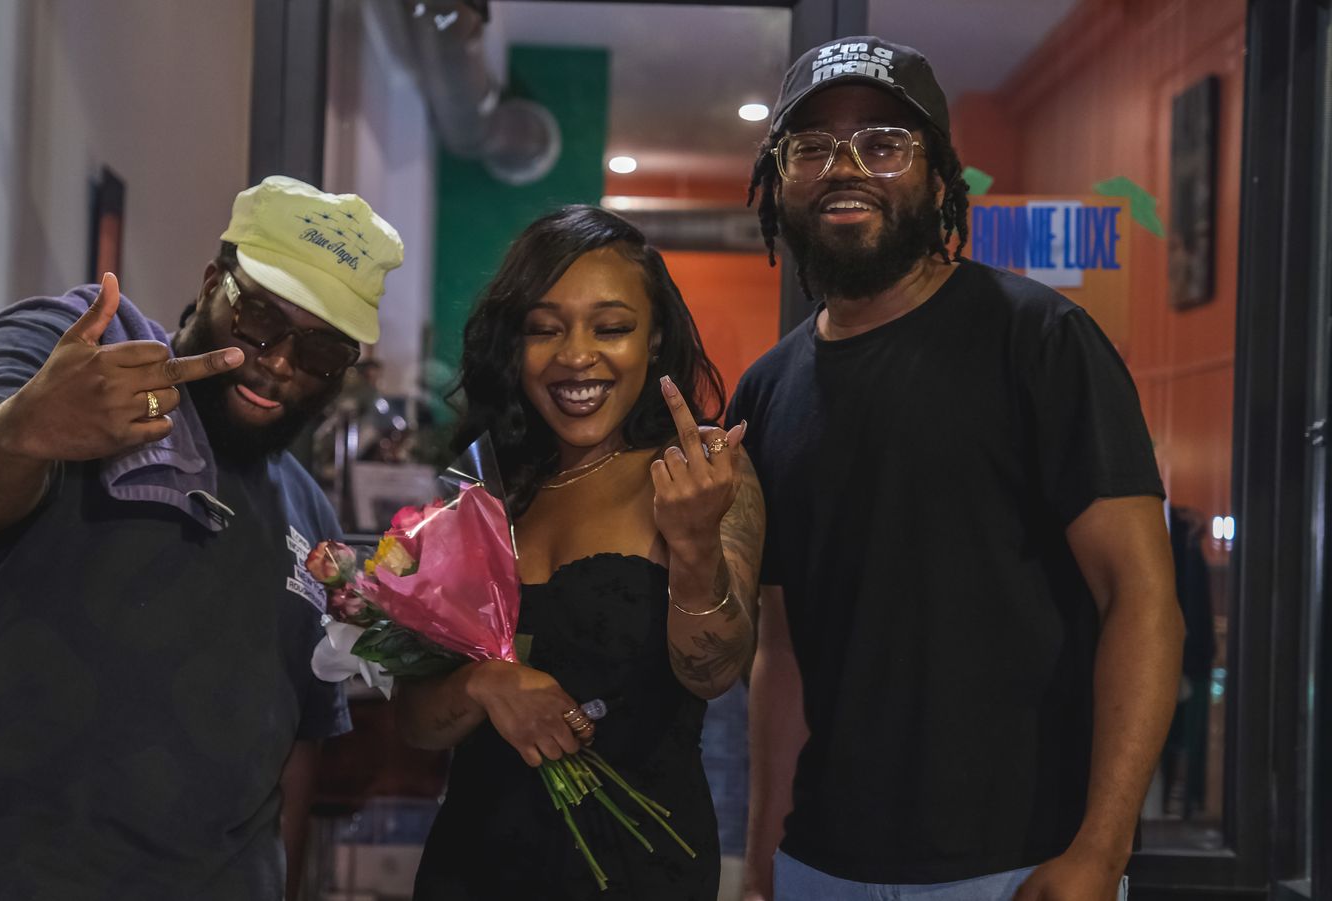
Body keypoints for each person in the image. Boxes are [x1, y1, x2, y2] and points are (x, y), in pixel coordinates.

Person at [0, 176, 404, 901]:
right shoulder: (73, 351)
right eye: (260, 318)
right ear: (211, 284)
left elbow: (295, 758)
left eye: (321, 351)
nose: (278, 362)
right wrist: (23, 429)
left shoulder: (311, 525)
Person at [731, 37, 1185, 901]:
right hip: (820, 864)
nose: (844, 168)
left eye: (884, 143)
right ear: (778, 181)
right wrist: (760, 866)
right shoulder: (766, 390)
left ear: (941, 178)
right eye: (812, 147)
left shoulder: (1040, 340)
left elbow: (1140, 599)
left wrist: (1100, 851)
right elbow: (782, 651)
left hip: (1020, 865)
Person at [396, 206, 765, 900]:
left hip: (637, 871)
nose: (575, 355)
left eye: (611, 327)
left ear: (654, 339)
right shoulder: (484, 490)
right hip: (471, 869)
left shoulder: (699, 471)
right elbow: (416, 722)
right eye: (544, 329)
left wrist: (692, 546)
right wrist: (483, 685)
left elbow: (716, 671)